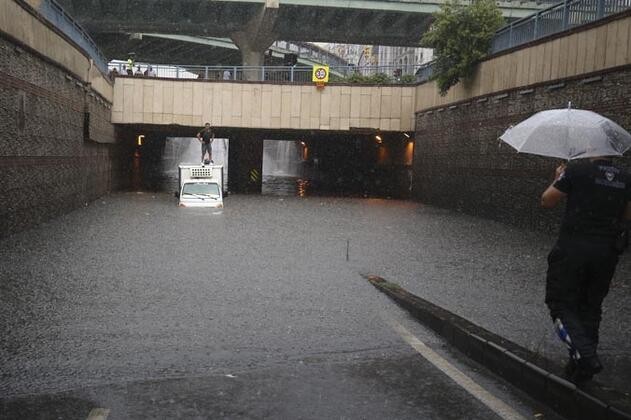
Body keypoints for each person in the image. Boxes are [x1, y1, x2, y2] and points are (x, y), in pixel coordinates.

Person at [541, 157, 631, 383]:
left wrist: (558, 178)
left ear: (591, 148)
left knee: (560, 304)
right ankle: (580, 367)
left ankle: (586, 356)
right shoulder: (625, 176)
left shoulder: (576, 170)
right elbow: (628, 215)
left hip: (573, 250)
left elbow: (547, 200)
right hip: (606, 253)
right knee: (590, 307)